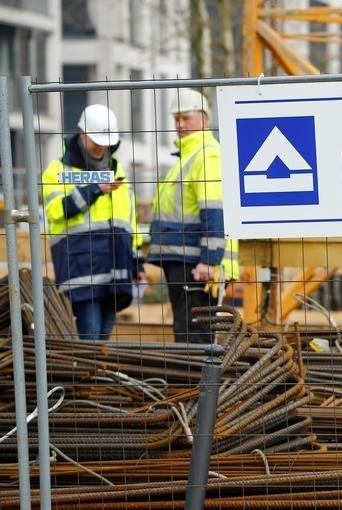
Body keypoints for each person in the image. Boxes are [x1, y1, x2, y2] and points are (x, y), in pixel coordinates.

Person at [42, 104, 145, 340]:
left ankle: (97, 376)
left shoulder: (117, 173)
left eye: (105, 141)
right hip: (81, 266)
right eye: (96, 140)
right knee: (90, 338)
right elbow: (56, 211)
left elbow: (129, 222)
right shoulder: (57, 171)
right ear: (82, 133)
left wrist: (137, 261)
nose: (101, 147)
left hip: (115, 266)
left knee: (103, 339)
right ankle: (90, 377)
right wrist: (95, 189)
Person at [147, 89, 239, 344]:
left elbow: (213, 210)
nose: (180, 124)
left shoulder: (207, 156)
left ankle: (198, 384)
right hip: (185, 260)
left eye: (186, 117)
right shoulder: (188, 157)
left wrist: (209, 260)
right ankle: (194, 383)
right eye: (176, 119)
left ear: (204, 119)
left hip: (196, 264)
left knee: (194, 335)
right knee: (188, 330)